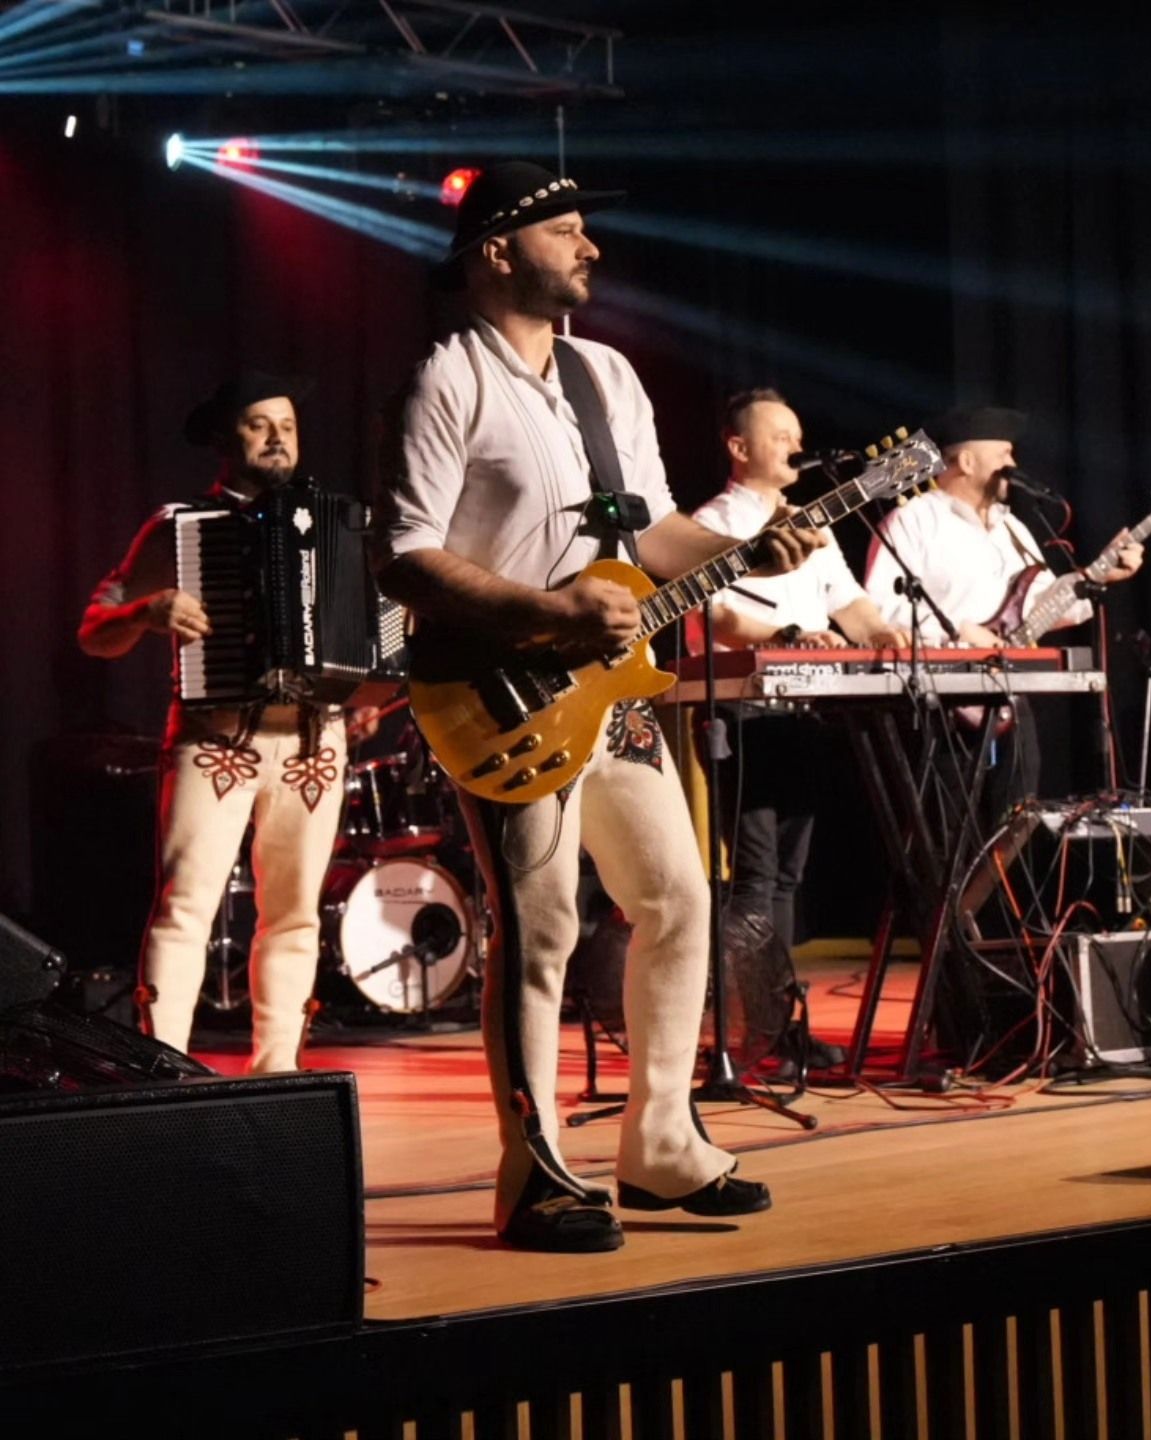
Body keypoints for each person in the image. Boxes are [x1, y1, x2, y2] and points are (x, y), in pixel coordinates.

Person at [373, 162, 823, 1253]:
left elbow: (654, 534)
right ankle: (531, 1176)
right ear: (496, 250)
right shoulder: (447, 378)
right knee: (543, 927)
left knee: (678, 898)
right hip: (502, 694)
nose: (592, 248)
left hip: (613, 694)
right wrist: (545, 614)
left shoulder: (606, 374)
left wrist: (744, 549)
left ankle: (659, 1145)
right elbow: (404, 556)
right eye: (566, 230)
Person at [78, 372, 356, 1073]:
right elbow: (93, 630)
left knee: (295, 914)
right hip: (216, 738)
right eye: (259, 425)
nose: (277, 438)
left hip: (313, 741)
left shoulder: (338, 524)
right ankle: (164, 1069)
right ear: (224, 439)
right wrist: (146, 612)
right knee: (186, 907)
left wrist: (369, 680)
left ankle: (278, 1070)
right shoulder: (180, 528)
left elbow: (376, 632)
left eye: (287, 426)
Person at [687, 388, 906, 959]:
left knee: (788, 873)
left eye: (798, 437)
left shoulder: (812, 525)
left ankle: (776, 1003)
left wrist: (881, 634)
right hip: (742, 710)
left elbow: (849, 602)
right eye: (781, 436)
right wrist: (789, 636)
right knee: (757, 872)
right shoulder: (711, 524)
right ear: (739, 447)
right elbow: (716, 619)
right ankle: (754, 1007)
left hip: (803, 710)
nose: (796, 447)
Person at [863, 405, 1144, 816]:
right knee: (946, 831)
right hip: (938, 702)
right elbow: (880, 611)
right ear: (966, 461)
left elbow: (1041, 606)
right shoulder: (913, 521)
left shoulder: (1012, 529)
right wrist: (960, 633)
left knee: (1017, 823)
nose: (1013, 464)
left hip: (1008, 697)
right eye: (1003, 454)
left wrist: (1100, 574)